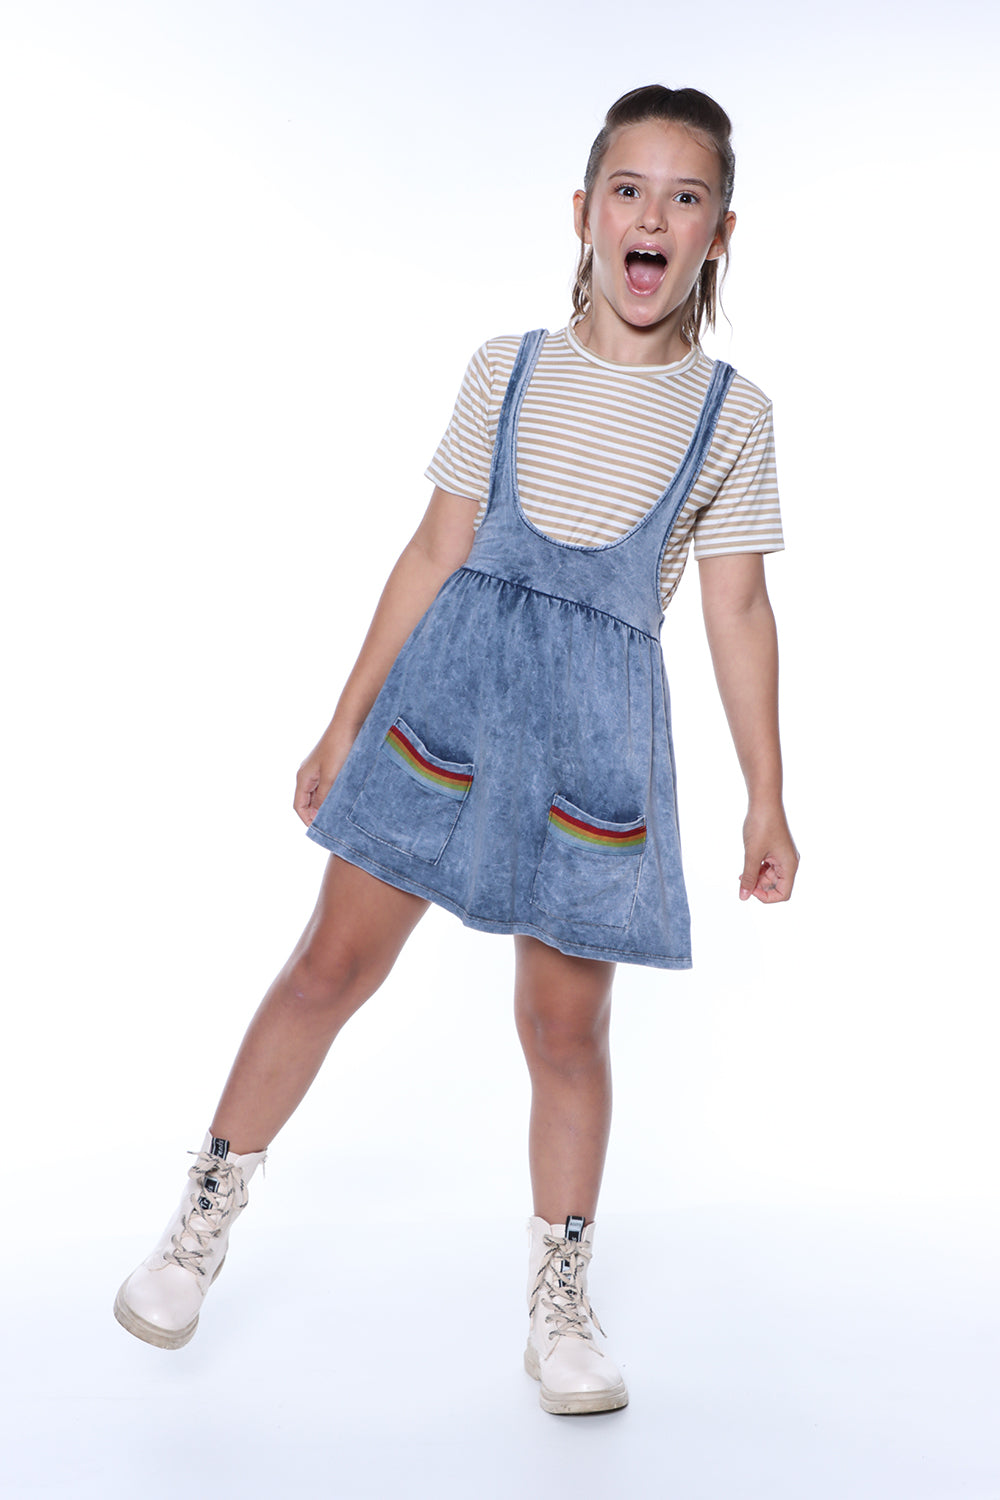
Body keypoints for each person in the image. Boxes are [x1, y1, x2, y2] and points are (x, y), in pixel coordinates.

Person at [114, 83, 798, 1416]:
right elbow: (435, 550)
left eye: (686, 198)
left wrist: (767, 797)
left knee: (564, 1027)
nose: (652, 216)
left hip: (596, 745)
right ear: (585, 211)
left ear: (720, 234)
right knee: (331, 965)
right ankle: (199, 1221)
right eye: (629, 189)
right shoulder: (509, 368)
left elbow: (738, 608)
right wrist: (345, 718)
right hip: (447, 709)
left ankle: (560, 1302)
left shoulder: (734, 414)